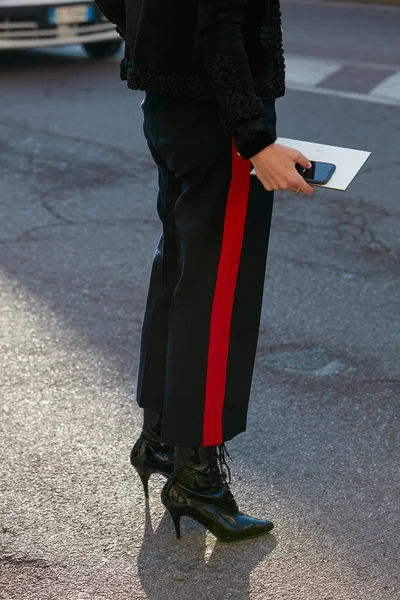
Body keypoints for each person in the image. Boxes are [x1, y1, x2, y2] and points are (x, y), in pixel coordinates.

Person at [95, 0, 313, 542]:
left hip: (166, 105)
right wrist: (255, 138)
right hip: (219, 119)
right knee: (216, 298)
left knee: (178, 276)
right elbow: (219, 26)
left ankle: (161, 440)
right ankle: (198, 480)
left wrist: (154, 36)